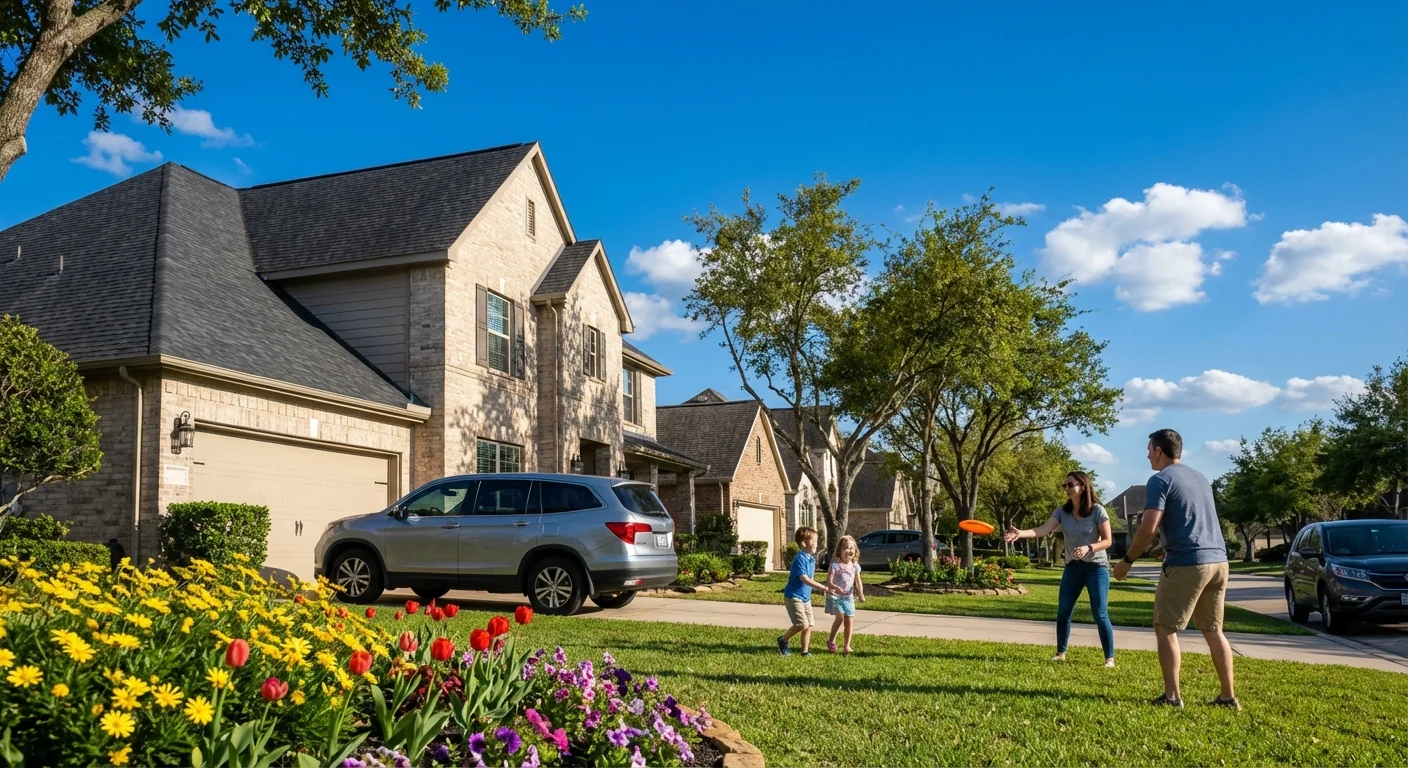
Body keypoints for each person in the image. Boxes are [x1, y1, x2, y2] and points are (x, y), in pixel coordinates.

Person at [1113, 428, 1239, 710]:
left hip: (1187, 563)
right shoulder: (1200, 478)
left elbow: (1148, 526)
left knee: (1165, 628)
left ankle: (1172, 697)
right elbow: (1192, 520)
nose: (1147, 455)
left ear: (1159, 450)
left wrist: (1126, 561)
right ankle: (1227, 697)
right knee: (1213, 630)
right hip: (1219, 561)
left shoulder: (1160, 480)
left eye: (1149, 449)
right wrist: (1165, 543)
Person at [1004, 471, 1116, 667]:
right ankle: (1060, 653)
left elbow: (1108, 541)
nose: (1066, 489)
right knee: (1063, 612)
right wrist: (1020, 533)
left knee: (1100, 613)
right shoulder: (1062, 512)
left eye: (1070, 485)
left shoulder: (1097, 510)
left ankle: (1109, 658)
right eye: (1064, 485)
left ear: (1082, 486)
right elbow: (1043, 529)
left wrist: (1089, 547)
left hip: (1096, 568)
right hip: (1073, 567)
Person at [778, 527, 829, 656]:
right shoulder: (800, 558)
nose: (816, 544)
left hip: (805, 598)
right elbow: (804, 578)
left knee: (809, 625)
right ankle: (783, 640)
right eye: (813, 541)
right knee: (802, 624)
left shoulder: (811, 559)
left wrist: (816, 589)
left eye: (816, 541)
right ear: (803, 543)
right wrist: (821, 587)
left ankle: (805, 651)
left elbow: (810, 579)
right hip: (794, 596)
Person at [824, 535, 865, 654]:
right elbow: (829, 582)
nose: (849, 550)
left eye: (851, 548)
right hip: (835, 597)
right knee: (840, 617)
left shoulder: (855, 566)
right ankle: (831, 640)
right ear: (839, 551)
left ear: (855, 551)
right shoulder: (835, 566)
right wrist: (834, 587)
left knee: (849, 620)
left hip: (848, 598)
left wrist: (860, 594)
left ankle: (847, 646)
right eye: (846, 548)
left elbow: (858, 581)